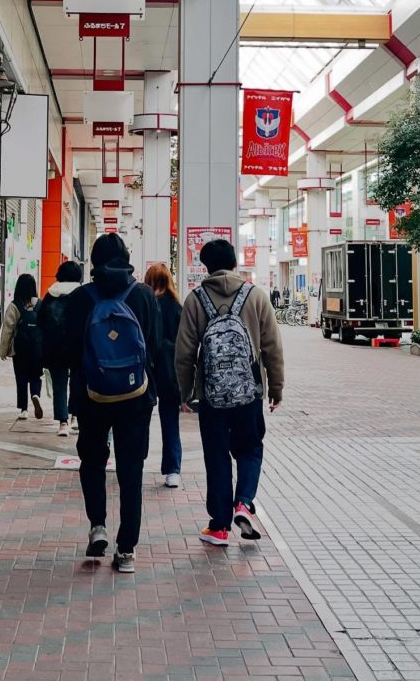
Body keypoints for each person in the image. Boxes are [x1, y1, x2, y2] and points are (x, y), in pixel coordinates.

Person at [176, 238, 284, 547]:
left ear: (205, 267)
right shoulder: (256, 296)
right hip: (249, 394)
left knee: (217, 456)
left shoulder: (195, 299)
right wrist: (276, 388)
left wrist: (185, 393)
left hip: (212, 397)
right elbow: (272, 347)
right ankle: (244, 504)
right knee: (250, 449)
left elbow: (184, 352)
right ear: (235, 263)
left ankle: (220, 527)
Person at [65, 234, 160, 574]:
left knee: (92, 461)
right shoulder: (144, 296)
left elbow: (67, 351)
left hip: (92, 396)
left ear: (92, 261)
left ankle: (98, 526)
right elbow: (155, 348)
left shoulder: (80, 298)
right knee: (131, 470)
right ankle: (127, 550)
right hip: (136, 397)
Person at [144, 263, 183, 489]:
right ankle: (172, 470)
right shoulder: (177, 306)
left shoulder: (145, 304)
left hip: (147, 371)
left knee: (141, 421)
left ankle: (136, 461)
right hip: (170, 372)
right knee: (170, 423)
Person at [37, 260, 83, 437]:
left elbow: (41, 321)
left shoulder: (50, 294)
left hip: (55, 347)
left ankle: (63, 423)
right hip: (77, 346)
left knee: (59, 385)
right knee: (77, 382)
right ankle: (75, 417)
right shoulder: (81, 293)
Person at [0, 273, 44, 422]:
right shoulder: (40, 304)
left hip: (20, 349)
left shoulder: (14, 305)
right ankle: (36, 394)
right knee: (36, 375)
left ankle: (24, 409)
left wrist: (3, 350)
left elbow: (8, 329)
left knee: (21, 378)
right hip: (37, 348)